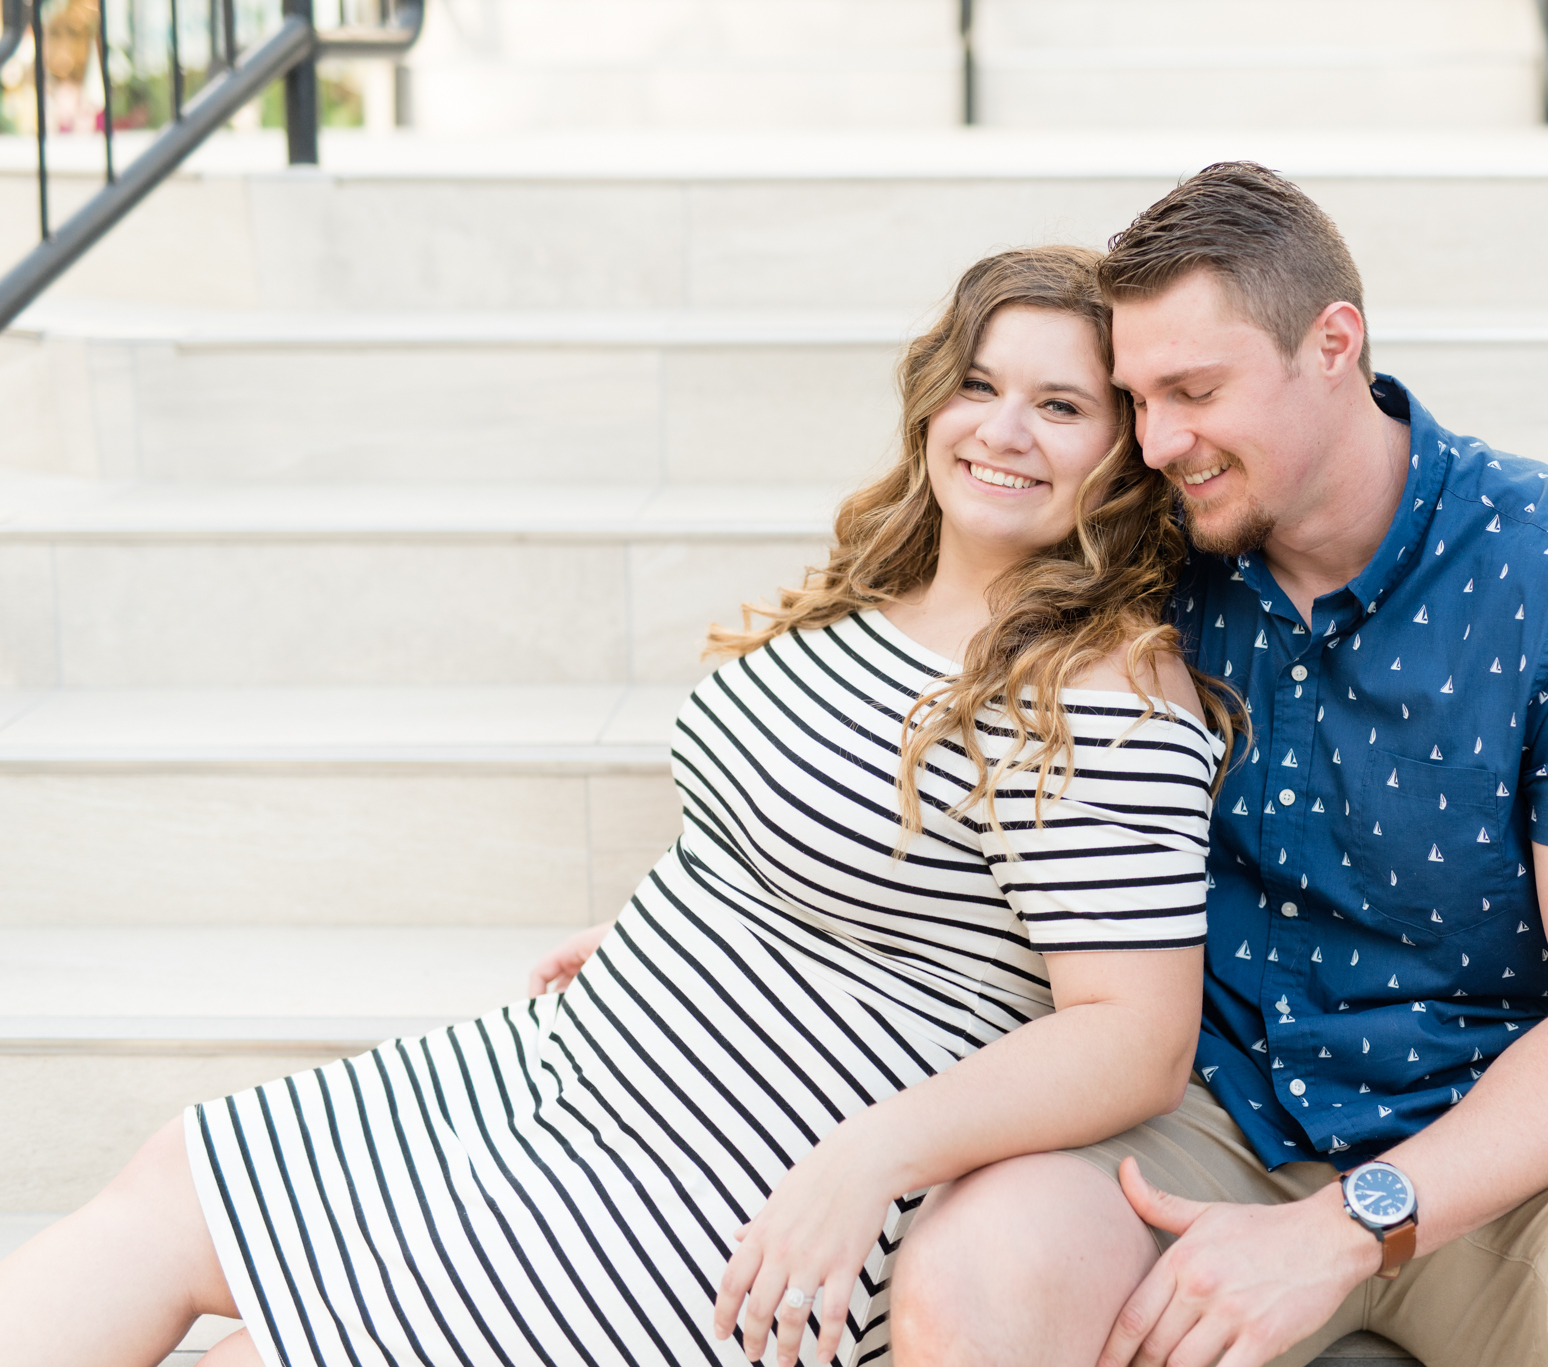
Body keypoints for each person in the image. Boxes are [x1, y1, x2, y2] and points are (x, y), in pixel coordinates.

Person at [0, 244, 1234, 1367]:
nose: (1001, 428)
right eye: (977, 383)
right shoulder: (887, 584)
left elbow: (1135, 1034)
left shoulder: (1100, 685)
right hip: (600, 1057)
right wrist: (697, 920)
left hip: (755, 1158)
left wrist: (877, 1153)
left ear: (1122, 452)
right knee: (177, 1181)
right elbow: (817, 834)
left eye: (1059, 405)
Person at [891, 165, 1548, 1367]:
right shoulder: (1153, 537)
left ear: (1331, 342)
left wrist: (1347, 1225)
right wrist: (726, 902)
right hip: (1203, 1125)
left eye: (1195, 390)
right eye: (1137, 398)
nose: (1160, 441)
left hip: (1512, 1148)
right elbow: (925, 683)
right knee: (967, 1280)